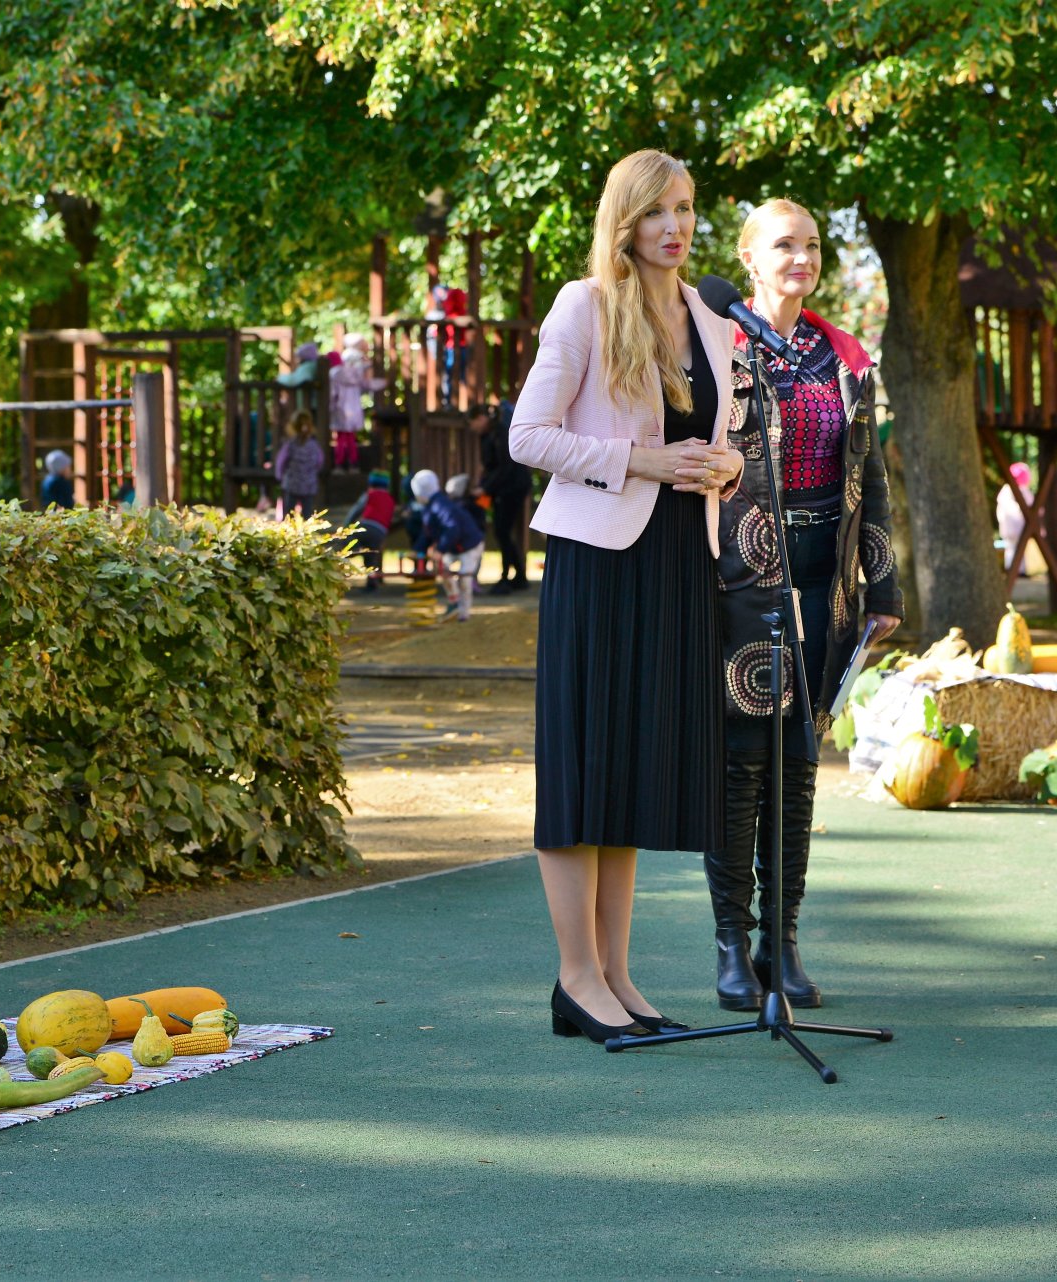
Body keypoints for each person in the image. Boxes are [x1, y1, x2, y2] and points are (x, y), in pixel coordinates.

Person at [509, 149, 744, 1043]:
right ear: (625, 221)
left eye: (685, 209)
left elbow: (713, 440)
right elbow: (528, 435)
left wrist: (723, 466)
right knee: (584, 767)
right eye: (658, 212)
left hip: (680, 559)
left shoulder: (709, 319)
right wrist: (637, 461)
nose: (676, 228)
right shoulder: (586, 305)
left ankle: (617, 976)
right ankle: (576, 979)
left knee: (633, 769)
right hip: (599, 560)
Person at [707, 198, 904, 1012]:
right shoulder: (718, 343)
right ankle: (729, 944)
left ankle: (780, 944)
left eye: (812, 245)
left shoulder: (842, 354)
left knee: (798, 770)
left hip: (827, 583)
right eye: (784, 244)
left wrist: (882, 583)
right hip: (742, 576)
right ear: (750, 257)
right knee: (742, 763)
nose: (802, 257)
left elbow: (873, 469)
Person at [410, 469, 487, 622]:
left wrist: (440, 549)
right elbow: (427, 533)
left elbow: (452, 528)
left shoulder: (440, 505)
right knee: (442, 568)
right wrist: (417, 550)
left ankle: (464, 614)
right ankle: (454, 602)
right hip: (454, 545)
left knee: (464, 577)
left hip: (470, 544)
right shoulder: (430, 507)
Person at [473, 399, 532, 592]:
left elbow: (505, 467)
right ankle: (517, 576)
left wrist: (485, 488)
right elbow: (488, 465)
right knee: (500, 531)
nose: (472, 427)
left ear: (481, 418)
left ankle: (509, 577)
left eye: (473, 422)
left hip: (511, 487)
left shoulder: (500, 432)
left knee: (502, 531)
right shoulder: (484, 436)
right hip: (495, 489)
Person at [329, 334, 387, 469]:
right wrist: (382, 383)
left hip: (340, 408)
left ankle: (340, 462)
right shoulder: (358, 369)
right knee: (350, 438)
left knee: (342, 438)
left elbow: (333, 393)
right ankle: (352, 462)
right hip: (352, 407)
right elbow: (366, 384)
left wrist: (331, 406)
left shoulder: (335, 374)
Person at [337, 470, 397, 591]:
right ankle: (371, 583)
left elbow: (356, 510)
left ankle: (338, 573)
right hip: (380, 531)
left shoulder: (370, 494)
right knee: (370, 557)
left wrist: (346, 527)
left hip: (366, 526)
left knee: (344, 547)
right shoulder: (390, 499)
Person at [273, 409, 327, 519]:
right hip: (309, 484)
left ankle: (288, 534)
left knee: (288, 514)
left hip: (291, 484)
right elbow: (319, 461)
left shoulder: (290, 445)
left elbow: (281, 462)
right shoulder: (313, 445)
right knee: (307, 514)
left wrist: (279, 475)